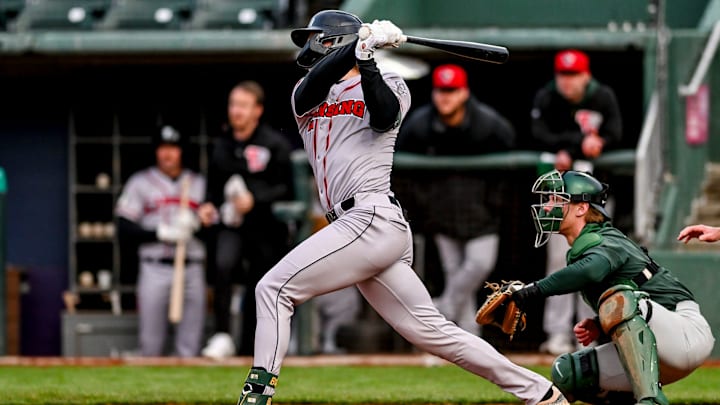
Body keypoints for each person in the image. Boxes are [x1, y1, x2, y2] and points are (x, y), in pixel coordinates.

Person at [235, 10, 569, 405]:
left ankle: (256, 396)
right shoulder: (306, 92)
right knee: (434, 333)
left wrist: (365, 58)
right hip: (357, 227)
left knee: (273, 290)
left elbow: (384, 115)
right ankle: (541, 393)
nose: (307, 46)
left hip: (370, 217)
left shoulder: (392, 83)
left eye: (316, 38)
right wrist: (361, 44)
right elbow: (315, 83)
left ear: (334, 40)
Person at [509, 169, 714, 404]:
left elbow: (591, 270)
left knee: (618, 301)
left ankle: (651, 400)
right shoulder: (586, 245)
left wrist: (530, 291)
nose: (546, 206)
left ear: (581, 208)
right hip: (654, 348)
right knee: (568, 373)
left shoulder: (606, 239)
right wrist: (599, 323)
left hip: (685, 333)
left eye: (556, 199)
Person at [396, 64, 515, 334]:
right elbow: (400, 164)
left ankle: (444, 309)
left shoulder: (488, 124)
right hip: (443, 211)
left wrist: (494, 203)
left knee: (479, 265)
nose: (445, 97)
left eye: (451, 91)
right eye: (441, 91)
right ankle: (468, 342)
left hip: (481, 212)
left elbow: (509, 166)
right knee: (454, 273)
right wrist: (424, 204)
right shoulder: (421, 124)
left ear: (464, 93)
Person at [530, 49, 623, 355]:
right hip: (560, 192)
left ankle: (595, 330)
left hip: (594, 193)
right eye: (563, 75)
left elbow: (616, 132)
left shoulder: (602, 96)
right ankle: (557, 333)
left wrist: (601, 142)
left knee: (597, 260)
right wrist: (571, 145)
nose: (567, 81)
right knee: (559, 260)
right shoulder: (548, 97)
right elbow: (538, 133)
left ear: (585, 76)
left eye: (573, 75)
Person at [197, 81, 294, 359]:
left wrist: (256, 198)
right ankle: (222, 335)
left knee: (260, 282)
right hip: (232, 224)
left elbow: (287, 187)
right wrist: (207, 206)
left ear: (257, 110)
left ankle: (250, 345)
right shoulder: (222, 145)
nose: (236, 111)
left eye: (242, 105)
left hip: (266, 227)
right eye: (233, 105)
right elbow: (213, 188)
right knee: (223, 267)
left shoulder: (274, 144)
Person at [115, 125, 207, 357]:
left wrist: (198, 222)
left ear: (181, 151)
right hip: (155, 266)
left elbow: (218, 224)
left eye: (173, 148)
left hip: (191, 267)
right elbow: (123, 226)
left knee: (189, 348)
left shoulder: (197, 183)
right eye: (163, 148)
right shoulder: (140, 182)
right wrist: (160, 232)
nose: (168, 154)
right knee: (151, 345)